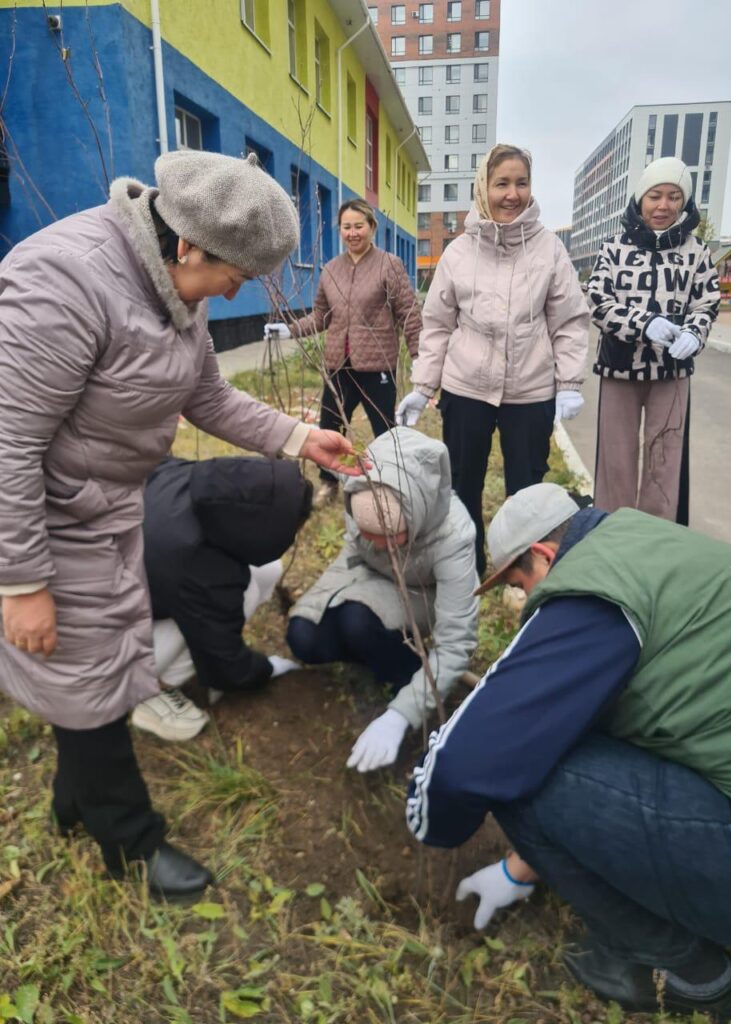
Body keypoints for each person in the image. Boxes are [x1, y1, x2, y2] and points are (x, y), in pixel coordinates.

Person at [0, 150, 363, 901]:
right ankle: (131, 845)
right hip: (46, 519)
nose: (236, 291)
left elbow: (208, 396)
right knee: (91, 683)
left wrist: (300, 438)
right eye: (236, 273)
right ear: (190, 244)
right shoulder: (65, 282)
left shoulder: (175, 288)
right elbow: (8, 442)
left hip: (109, 507)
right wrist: (22, 581)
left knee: (92, 669)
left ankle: (73, 802)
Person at [407, 483, 731, 1020]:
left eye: (519, 584)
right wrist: (519, 870)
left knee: (524, 767)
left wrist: (428, 821)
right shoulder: (646, 543)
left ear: (545, 555)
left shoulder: (594, 590)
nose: (524, 601)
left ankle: (685, 972)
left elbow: (469, 763)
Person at [397, 144, 589, 575]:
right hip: (466, 388)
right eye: (502, 183)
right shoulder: (459, 253)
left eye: (522, 183)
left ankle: (522, 572)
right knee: (463, 482)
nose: (512, 194)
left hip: (530, 390)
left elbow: (569, 321)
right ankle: (468, 563)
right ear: (483, 188)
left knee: (527, 491)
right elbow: (437, 325)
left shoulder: (549, 249)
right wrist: (423, 386)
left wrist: (569, 384)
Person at [286, 427, 478, 772]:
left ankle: (407, 675)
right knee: (302, 637)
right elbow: (352, 555)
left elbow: (455, 642)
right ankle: (376, 651)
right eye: (368, 533)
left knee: (357, 623)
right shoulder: (362, 494)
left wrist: (400, 716)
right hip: (367, 575)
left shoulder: (454, 535)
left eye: (389, 536)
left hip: (420, 593)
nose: (376, 544)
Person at [131, 455, 312, 742]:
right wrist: (265, 670)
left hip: (93, 591)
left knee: (264, 572)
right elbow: (223, 663)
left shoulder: (184, 477)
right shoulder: (198, 566)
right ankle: (148, 692)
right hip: (92, 647)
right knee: (238, 597)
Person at [588, 156, 720, 523]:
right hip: (619, 368)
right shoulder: (614, 247)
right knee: (616, 460)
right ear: (640, 198)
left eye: (674, 197)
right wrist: (642, 323)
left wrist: (694, 332)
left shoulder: (697, 252)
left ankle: (657, 536)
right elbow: (597, 302)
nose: (663, 205)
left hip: (671, 371)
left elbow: (707, 303)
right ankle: (611, 532)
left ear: (684, 202)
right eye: (655, 195)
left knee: (665, 461)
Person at [266, 199, 422, 508]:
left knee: (385, 429)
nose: (353, 233)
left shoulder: (389, 265)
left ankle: (392, 482)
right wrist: (289, 329)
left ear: (372, 227)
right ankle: (329, 482)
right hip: (339, 365)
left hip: (377, 365)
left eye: (359, 226)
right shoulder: (331, 270)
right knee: (330, 426)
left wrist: (420, 358)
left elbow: (408, 314)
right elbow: (321, 316)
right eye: (347, 227)